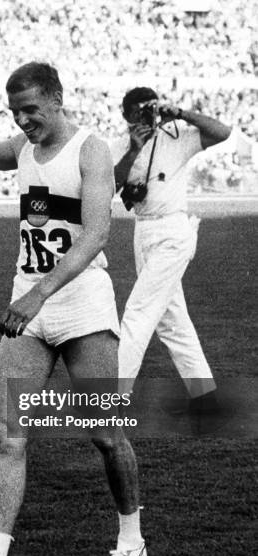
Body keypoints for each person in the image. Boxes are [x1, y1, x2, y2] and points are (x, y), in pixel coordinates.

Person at [0, 31, 146, 556]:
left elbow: (97, 233)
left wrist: (37, 295)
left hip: (81, 306)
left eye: (30, 110)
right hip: (31, 310)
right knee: (7, 434)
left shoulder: (90, 149)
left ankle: (131, 536)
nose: (22, 122)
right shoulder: (24, 152)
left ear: (56, 99)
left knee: (104, 434)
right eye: (14, 113)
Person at [110, 87, 231, 423]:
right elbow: (110, 184)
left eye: (149, 110)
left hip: (173, 230)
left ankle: (114, 399)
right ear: (126, 115)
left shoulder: (176, 135)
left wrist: (181, 113)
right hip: (143, 231)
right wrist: (133, 150)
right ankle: (205, 397)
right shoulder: (121, 145)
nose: (143, 117)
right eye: (136, 112)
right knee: (171, 321)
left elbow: (222, 132)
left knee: (138, 311)